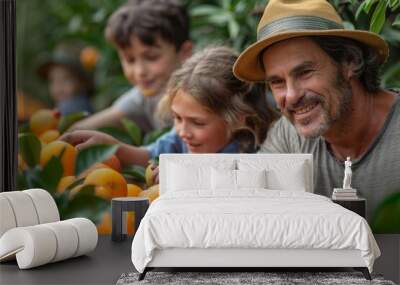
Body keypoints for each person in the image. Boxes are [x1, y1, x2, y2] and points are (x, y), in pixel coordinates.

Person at [233, 0, 400, 222]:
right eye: (277, 82)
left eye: (305, 72)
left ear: (349, 61)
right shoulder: (288, 137)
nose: (291, 96)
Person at [61, 46, 277, 168]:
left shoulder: (247, 157)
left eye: (197, 122)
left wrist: (177, 181)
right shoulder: (180, 137)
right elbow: (148, 155)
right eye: (177, 118)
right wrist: (110, 146)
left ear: (237, 118)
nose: (183, 131)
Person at [69, 0, 193, 133]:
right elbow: (83, 129)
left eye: (152, 57)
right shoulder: (146, 95)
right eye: (130, 60)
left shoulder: (200, 96)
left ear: (184, 52)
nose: (140, 71)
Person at [37, 42, 94, 116]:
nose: (58, 86)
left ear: (83, 82)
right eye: (52, 80)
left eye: (66, 79)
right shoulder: (62, 106)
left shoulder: (74, 105)